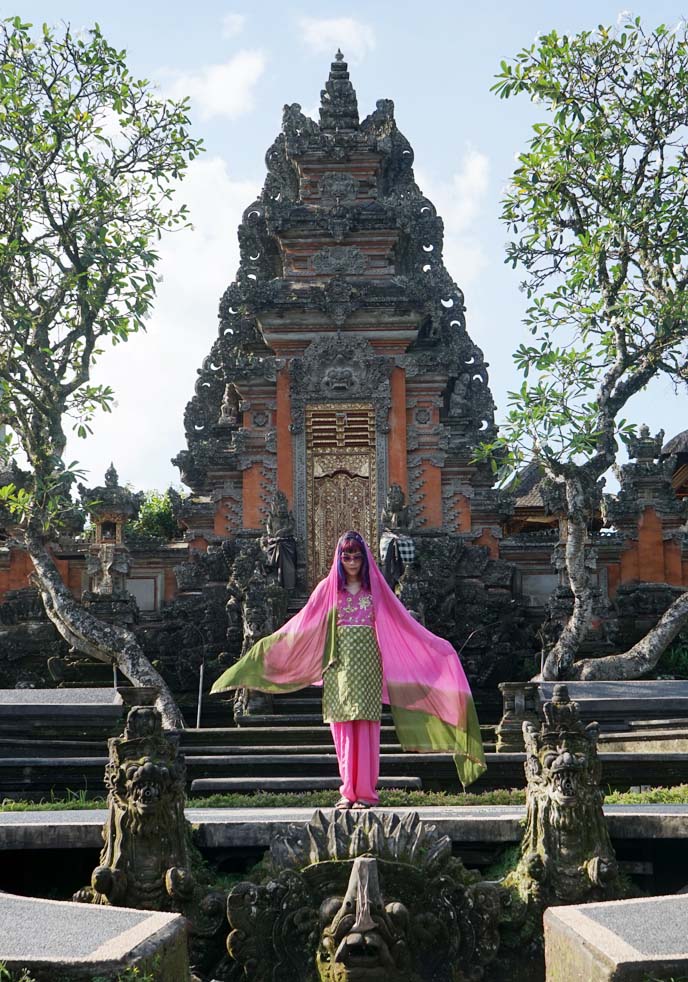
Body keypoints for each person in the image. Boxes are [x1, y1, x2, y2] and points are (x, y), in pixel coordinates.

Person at [211, 530, 486, 807]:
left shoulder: (376, 590)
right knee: (342, 728)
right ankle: (347, 792)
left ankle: (366, 792)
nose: (352, 561)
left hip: (368, 665)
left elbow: (403, 623)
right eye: (346, 555)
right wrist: (267, 650)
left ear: (365, 558)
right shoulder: (328, 590)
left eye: (356, 555)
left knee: (366, 727)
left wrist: (437, 646)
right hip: (337, 665)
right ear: (339, 558)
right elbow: (301, 625)